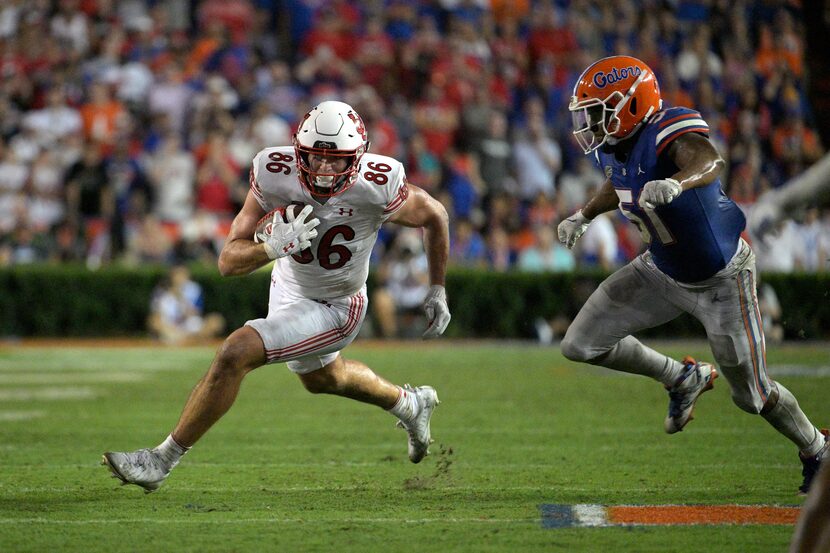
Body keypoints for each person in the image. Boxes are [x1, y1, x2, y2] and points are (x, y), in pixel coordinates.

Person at [103, 101, 451, 492]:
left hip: (336, 305)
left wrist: (437, 287)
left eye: (335, 160)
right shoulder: (274, 172)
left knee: (236, 352)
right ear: (298, 151)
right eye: (314, 157)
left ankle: (160, 460)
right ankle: (409, 404)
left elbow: (435, 215)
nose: (322, 169)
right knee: (322, 377)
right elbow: (227, 262)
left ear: (358, 157)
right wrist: (269, 250)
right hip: (286, 285)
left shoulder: (379, 181)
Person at [556, 56, 828, 495]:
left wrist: (680, 183)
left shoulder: (668, 127)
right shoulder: (617, 147)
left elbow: (709, 160)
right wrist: (583, 214)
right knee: (580, 343)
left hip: (723, 279)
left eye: (598, 110)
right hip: (660, 270)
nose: (589, 122)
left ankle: (818, 449)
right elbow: (622, 181)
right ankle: (682, 377)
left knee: (752, 395)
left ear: (630, 105)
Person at [147, 265, 225, 345]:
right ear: (172, 276)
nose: (181, 278)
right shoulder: (161, 291)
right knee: (154, 321)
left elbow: (196, 312)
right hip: (169, 326)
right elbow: (156, 314)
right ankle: (187, 340)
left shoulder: (194, 289)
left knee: (216, 320)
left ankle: (184, 340)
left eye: (183, 275)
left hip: (189, 324)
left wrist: (181, 299)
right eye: (178, 275)